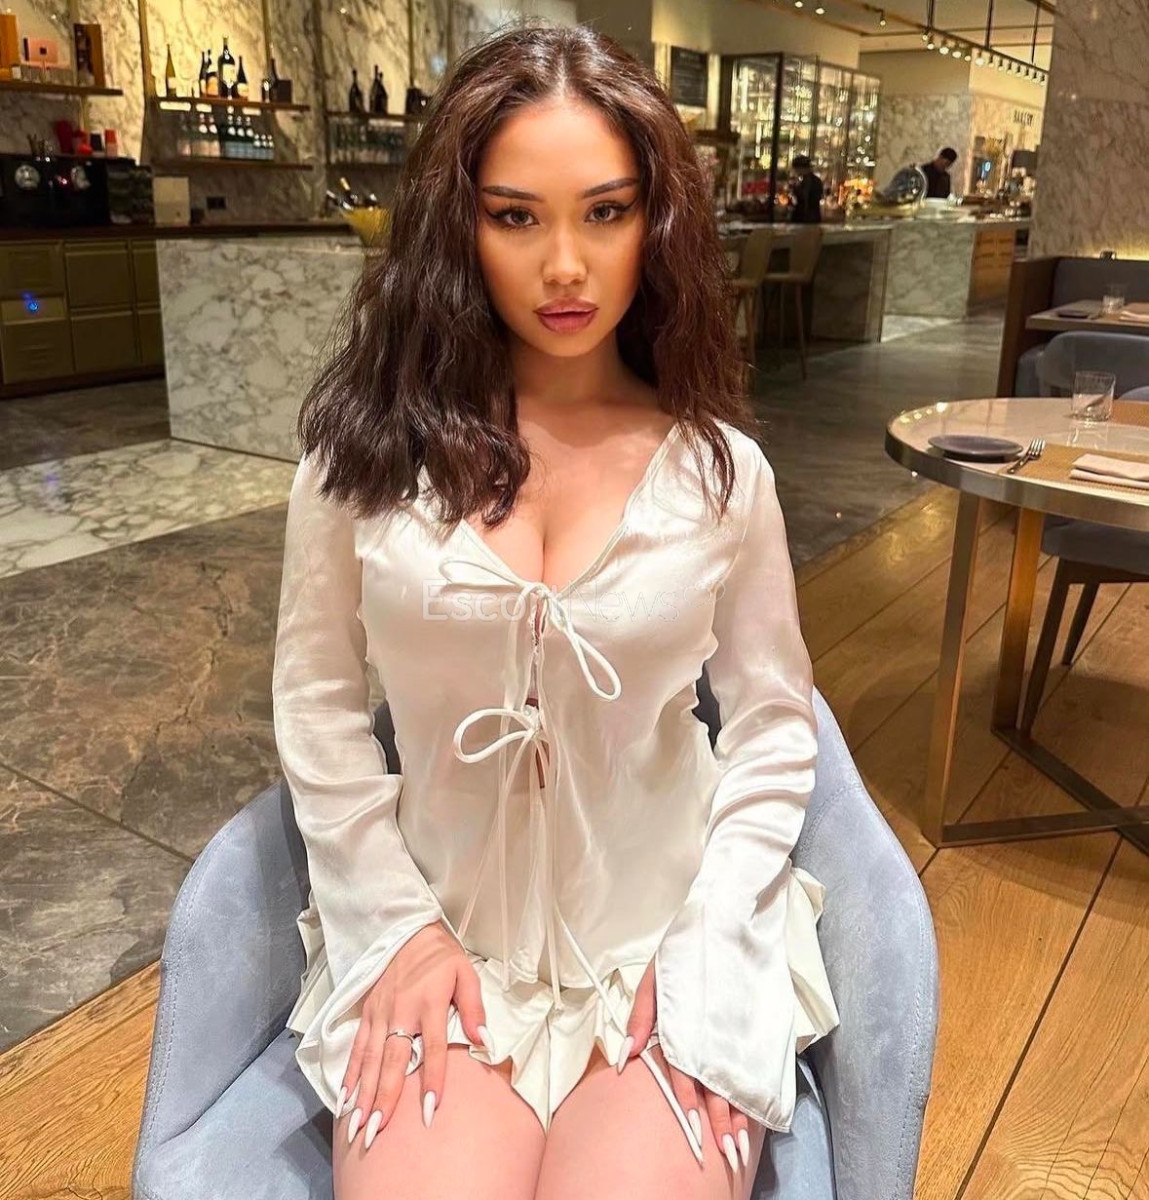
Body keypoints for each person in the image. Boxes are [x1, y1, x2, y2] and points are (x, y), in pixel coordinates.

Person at [272, 21, 840, 1200]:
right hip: (441, 941)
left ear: (657, 223)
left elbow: (776, 724)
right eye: (517, 216)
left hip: (662, 944)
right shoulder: (358, 466)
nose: (566, 265)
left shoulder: (720, 475)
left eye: (606, 212)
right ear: (459, 226)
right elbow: (317, 710)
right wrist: (396, 927)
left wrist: (715, 935)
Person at [788, 154, 823, 223]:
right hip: (811, 218)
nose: (795, 171)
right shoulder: (812, 180)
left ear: (801, 168)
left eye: (796, 169)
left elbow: (805, 199)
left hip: (806, 219)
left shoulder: (808, 181)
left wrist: (795, 190)